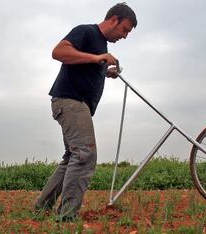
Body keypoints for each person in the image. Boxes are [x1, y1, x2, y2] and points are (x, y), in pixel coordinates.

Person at [34, 3, 137, 221]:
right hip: (70, 101)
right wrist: (96, 58)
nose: (125, 36)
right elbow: (58, 52)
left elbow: (85, 64)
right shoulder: (87, 31)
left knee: (72, 157)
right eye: (125, 29)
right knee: (85, 155)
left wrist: (104, 70)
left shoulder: (99, 44)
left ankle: (42, 207)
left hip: (76, 104)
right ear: (114, 20)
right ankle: (67, 217)